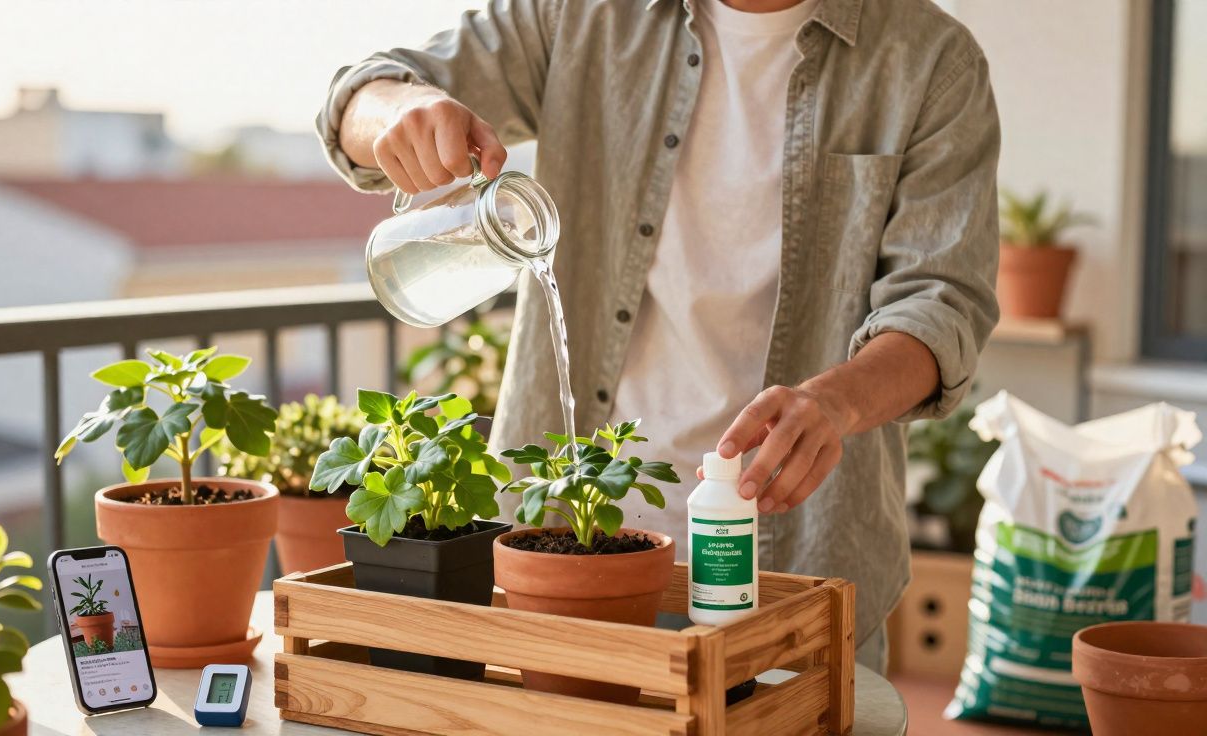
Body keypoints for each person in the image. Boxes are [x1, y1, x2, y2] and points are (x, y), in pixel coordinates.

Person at [318, 0, 999, 674]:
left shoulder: (931, 60)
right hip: (563, 566)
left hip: (803, 569)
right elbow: (361, 98)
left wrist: (836, 402)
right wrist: (402, 112)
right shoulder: (581, 16)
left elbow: (942, 305)